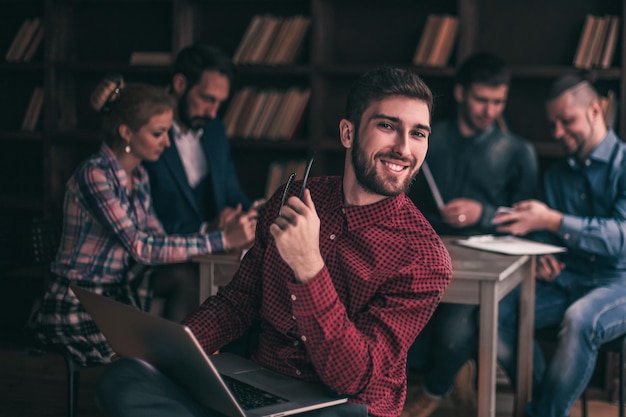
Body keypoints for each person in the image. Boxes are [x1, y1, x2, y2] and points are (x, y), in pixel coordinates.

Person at [95, 66, 453, 417]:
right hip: (262, 384)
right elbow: (238, 302)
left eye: (418, 134)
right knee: (127, 378)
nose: (404, 148)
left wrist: (308, 265)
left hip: (343, 406)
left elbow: (352, 378)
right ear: (348, 132)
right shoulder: (293, 197)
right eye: (388, 126)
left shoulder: (424, 257)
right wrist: (166, 354)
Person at [29, 76, 256, 367]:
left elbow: (159, 239)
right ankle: (176, 367)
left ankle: (183, 360)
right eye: (158, 133)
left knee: (182, 275)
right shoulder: (95, 175)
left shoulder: (140, 176)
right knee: (145, 361)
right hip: (80, 300)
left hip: (117, 293)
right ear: (126, 132)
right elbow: (141, 247)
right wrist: (222, 239)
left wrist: (218, 233)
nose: (167, 142)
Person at [403, 53, 538, 417]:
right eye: (482, 99)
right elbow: (402, 203)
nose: (490, 110)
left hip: (489, 265)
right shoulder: (428, 139)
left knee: (457, 326)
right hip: (427, 253)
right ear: (460, 93)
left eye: (498, 102)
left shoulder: (518, 152)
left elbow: (529, 221)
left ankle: (434, 392)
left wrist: (485, 213)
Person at [493, 75, 626, 417]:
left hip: (617, 281)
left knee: (580, 319)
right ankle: (545, 408)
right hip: (566, 280)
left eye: (566, 121)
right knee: (495, 315)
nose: (557, 133)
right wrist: (542, 250)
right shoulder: (555, 177)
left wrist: (552, 221)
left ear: (596, 110)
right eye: (553, 124)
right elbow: (548, 238)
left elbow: (619, 238)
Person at [143, 43, 259, 316]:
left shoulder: (214, 130)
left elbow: (232, 191)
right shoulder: (146, 135)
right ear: (180, 83)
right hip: (161, 256)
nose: (213, 112)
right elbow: (148, 220)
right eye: (207, 99)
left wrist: (246, 215)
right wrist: (209, 228)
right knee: (190, 281)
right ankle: (180, 358)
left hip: (213, 250)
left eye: (220, 103)